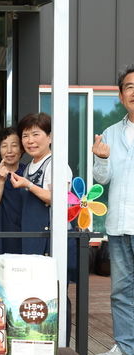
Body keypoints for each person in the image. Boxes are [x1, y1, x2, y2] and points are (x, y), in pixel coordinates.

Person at [10, 112, 75, 346]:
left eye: (36, 134)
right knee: (36, 293)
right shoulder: (30, 166)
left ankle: (61, 344)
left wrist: (28, 184)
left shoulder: (56, 164)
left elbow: (56, 198)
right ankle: (38, 342)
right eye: (25, 135)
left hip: (52, 239)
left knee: (56, 293)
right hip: (34, 239)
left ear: (50, 137)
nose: (30, 140)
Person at [92, 65, 134, 355]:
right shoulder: (110, 132)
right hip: (118, 226)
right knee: (121, 293)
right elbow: (101, 179)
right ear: (120, 96)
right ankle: (125, 345)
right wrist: (102, 159)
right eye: (129, 87)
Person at [0, 127, 25, 254]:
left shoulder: (29, 172)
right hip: (0, 233)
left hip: (25, 233)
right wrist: (0, 180)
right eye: (4, 146)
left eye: (14, 145)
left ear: (21, 149)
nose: (9, 151)